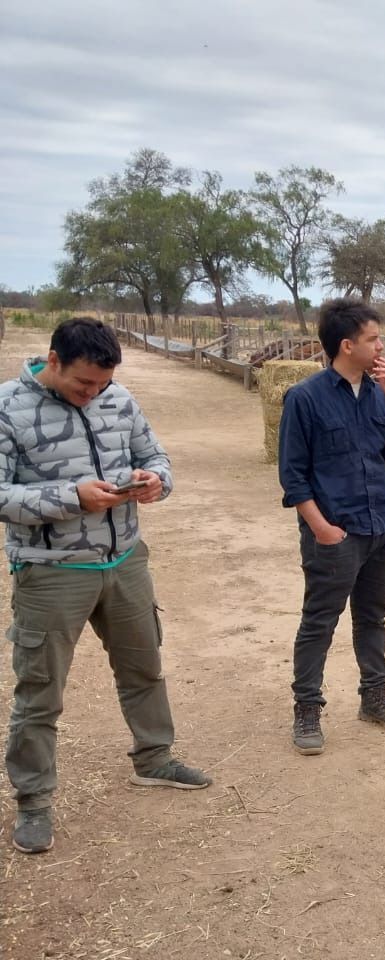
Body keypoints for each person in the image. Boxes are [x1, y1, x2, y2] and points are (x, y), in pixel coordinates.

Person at [3, 318, 211, 856]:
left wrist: (155, 482)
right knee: (40, 691)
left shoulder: (118, 398)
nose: (94, 394)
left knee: (144, 666)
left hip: (125, 559)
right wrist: (71, 496)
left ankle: (154, 758)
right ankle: (34, 802)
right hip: (51, 571)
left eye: (101, 385)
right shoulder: (8, 407)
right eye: (83, 385)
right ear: (53, 361)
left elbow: (157, 457)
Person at [278, 298, 385, 756]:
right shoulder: (305, 398)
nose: (382, 345)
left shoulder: (379, 393)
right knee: (319, 622)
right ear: (346, 345)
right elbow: (292, 476)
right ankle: (307, 709)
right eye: (374, 338)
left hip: (382, 527)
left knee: (372, 616)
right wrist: (320, 528)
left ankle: (373, 697)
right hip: (335, 533)